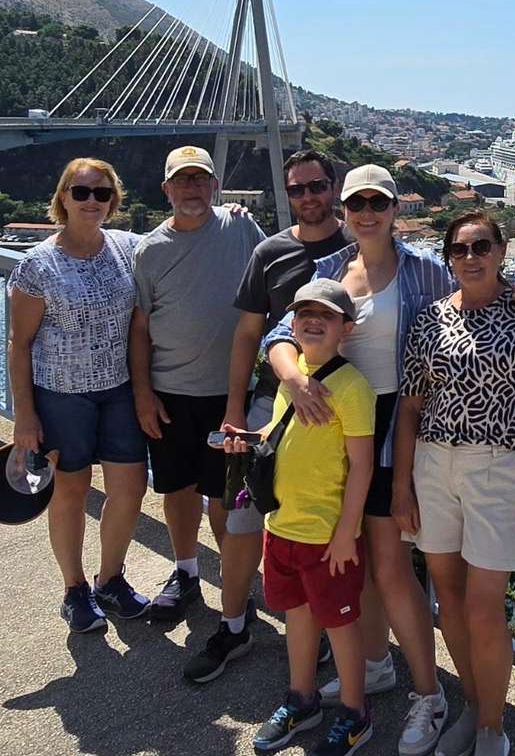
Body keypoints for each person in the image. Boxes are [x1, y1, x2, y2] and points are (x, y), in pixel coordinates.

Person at [262, 165, 515, 755]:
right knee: (352, 559)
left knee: (390, 567)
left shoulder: (424, 270)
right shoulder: (328, 271)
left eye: (378, 202)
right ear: (343, 210)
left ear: (393, 209)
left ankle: (428, 693)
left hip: (394, 428)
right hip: (332, 430)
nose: (366, 212)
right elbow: (280, 336)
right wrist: (295, 380)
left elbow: (476, 283)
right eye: (356, 203)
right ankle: (375, 665)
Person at [395, 211, 515, 756]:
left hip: (497, 467)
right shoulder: (430, 319)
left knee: (483, 606)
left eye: (481, 246)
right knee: (448, 595)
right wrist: (402, 486)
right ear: (448, 258)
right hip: (432, 464)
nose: (471, 257)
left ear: (501, 252)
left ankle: (493, 726)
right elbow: (410, 407)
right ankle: (472, 704)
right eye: (460, 249)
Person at [182, 148, 350, 683]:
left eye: (317, 186)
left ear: (334, 187)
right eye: (297, 189)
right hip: (271, 406)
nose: (308, 197)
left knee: (323, 526)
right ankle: (233, 625)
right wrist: (235, 410)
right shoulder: (270, 252)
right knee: (243, 522)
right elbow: (248, 335)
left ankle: (318, 631)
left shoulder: (360, 246)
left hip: (340, 413)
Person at [219, 278, 376, 756]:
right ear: (292, 323)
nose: (313, 321)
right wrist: (246, 440)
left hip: (327, 535)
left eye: (325, 315)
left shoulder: (352, 388)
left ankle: (355, 712)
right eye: (304, 312)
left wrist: (347, 533)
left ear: (346, 329)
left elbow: (362, 465)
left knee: (341, 626)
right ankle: (301, 698)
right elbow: (279, 432)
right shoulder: (296, 380)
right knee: (298, 616)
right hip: (281, 525)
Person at [7, 157, 152, 633]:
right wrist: (25, 417)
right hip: (61, 394)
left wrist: (228, 213)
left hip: (119, 390)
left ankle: (110, 579)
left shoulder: (128, 248)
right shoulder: (37, 265)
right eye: (82, 192)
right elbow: (19, 344)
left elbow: (178, 238)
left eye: (102, 193)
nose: (92, 201)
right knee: (70, 490)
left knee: (130, 487)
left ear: (113, 201)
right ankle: (74, 589)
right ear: (63, 198)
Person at [131, 145, 266, 622]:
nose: (192, 187)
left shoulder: (241, 227)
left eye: (200, 178)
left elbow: (278, 269)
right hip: (170, 392)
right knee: (178, 489)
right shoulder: (150, 251)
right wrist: (143, 394)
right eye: (182, 180)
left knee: (227, 497)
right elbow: (140, 328)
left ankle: (236, 586)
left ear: (215, 186)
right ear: (166, 189)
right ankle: (186, 572)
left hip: (231, 393)